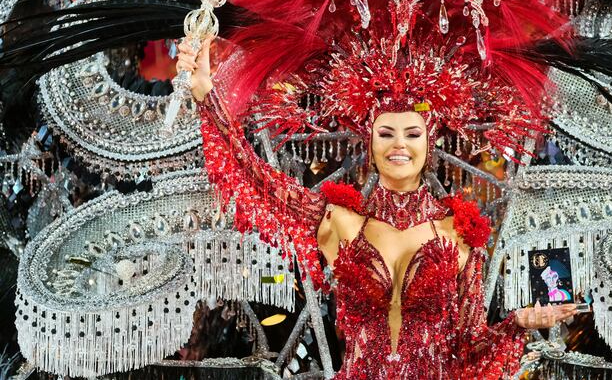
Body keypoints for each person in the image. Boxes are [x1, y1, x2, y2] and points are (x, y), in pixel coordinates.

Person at [176, 36, 576, 379]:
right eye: (386, 132)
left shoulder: (460, 232)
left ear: (429, 143)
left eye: (412, 133)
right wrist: (206, 96)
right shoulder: (339, 221)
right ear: (369, 142)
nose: (399, 144)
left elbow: (470, 350)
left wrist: (518, 325)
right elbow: (256, 179)